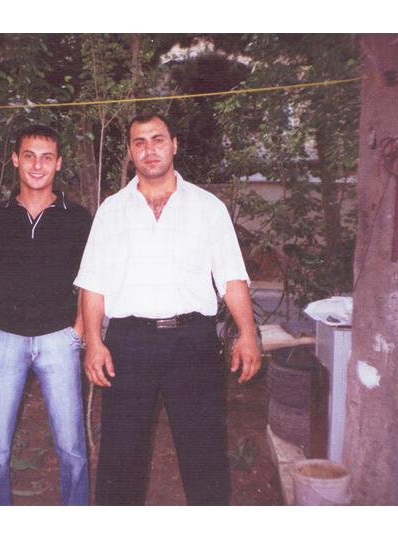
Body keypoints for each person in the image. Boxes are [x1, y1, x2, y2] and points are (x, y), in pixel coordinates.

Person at [74, 112, 261, 505]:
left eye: (157, 139)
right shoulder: (112, 210)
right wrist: (94, 342)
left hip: (192, 342)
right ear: (130, 152)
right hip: (128, 344)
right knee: (121, 454)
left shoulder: (208, 207)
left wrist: (248, 334)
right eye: (139, 142)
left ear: (174, 144)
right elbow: (93, 284)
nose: (149, 150)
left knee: (204, 449)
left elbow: (231, 278)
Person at [0, 125, 91, 505]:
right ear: (16, 160)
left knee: (72, 449)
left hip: (59, 341)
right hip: (4, 339)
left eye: (46, 157)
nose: (38, 165)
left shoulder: (77, 217)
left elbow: (91, 282)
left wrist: (78, 332)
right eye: (30, 156)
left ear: (59, 164)